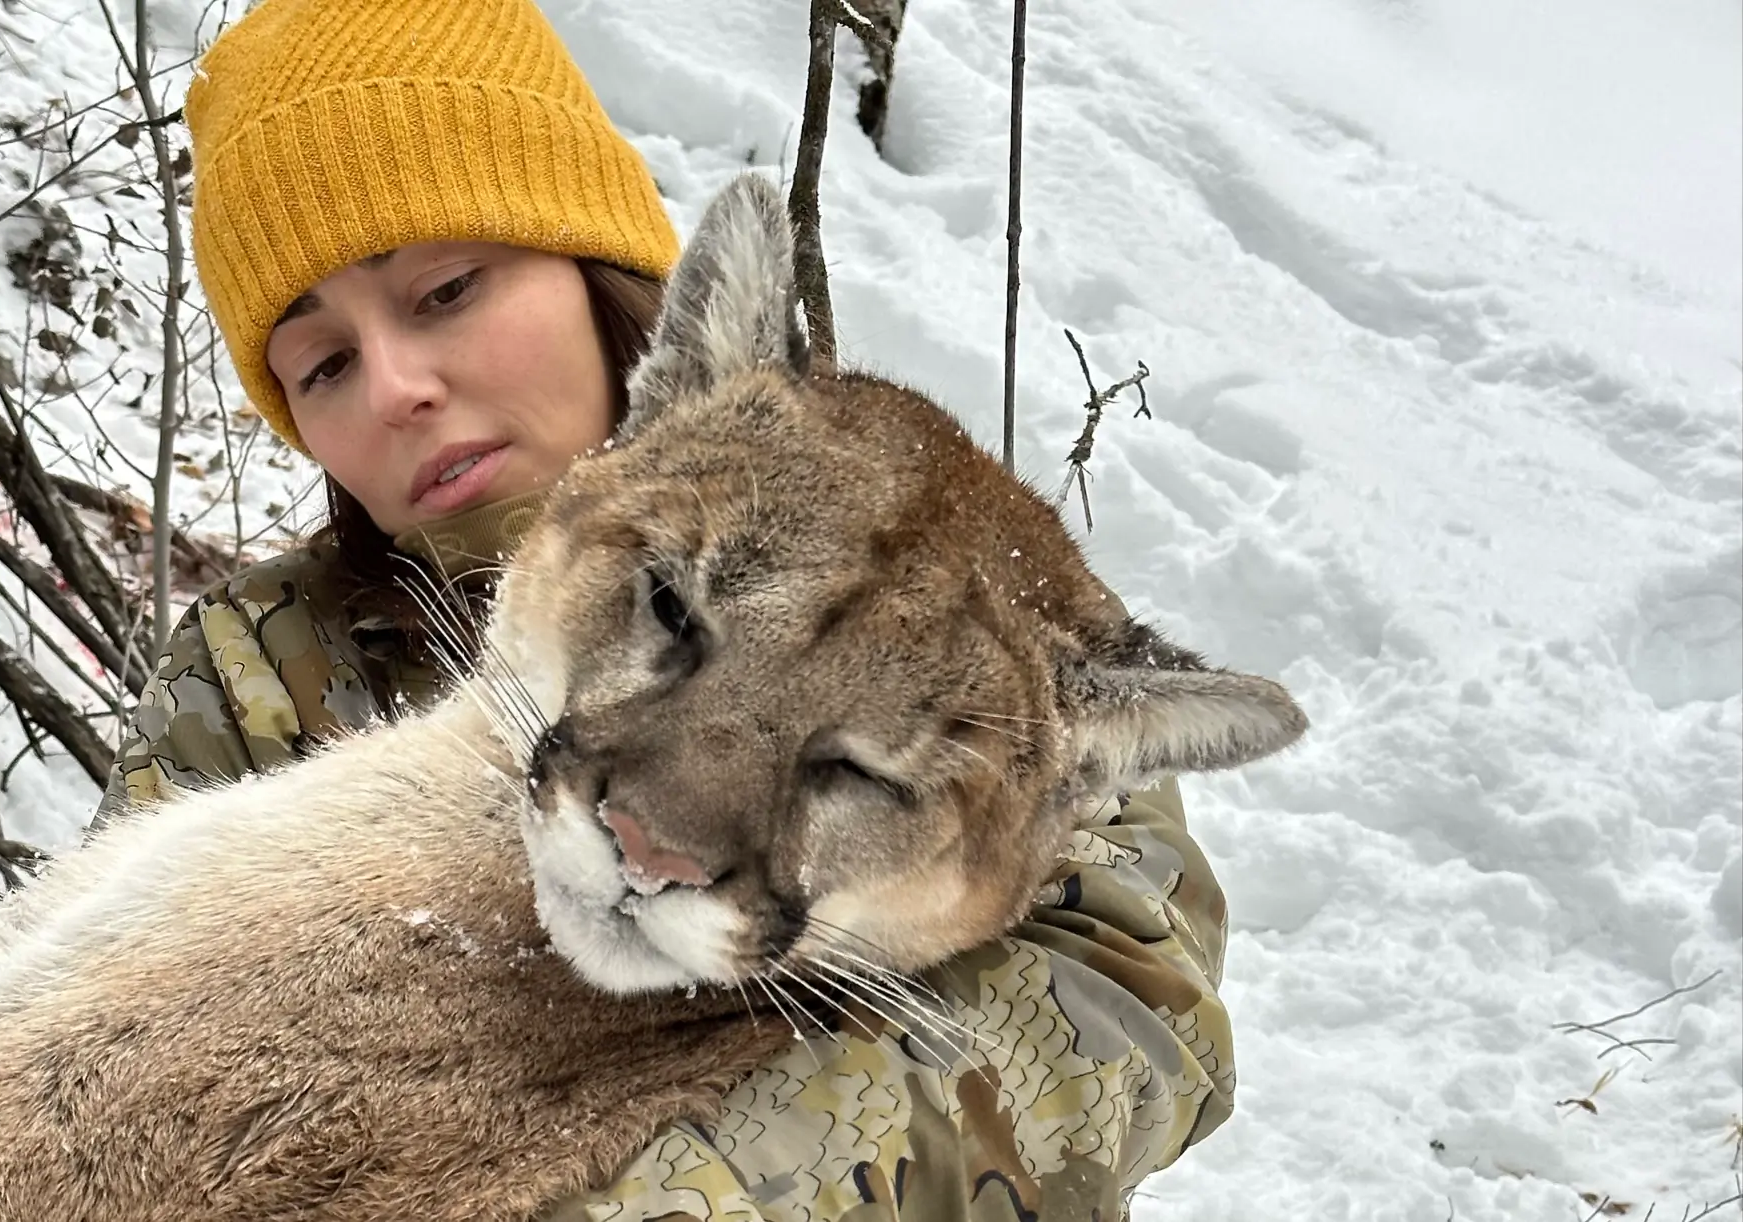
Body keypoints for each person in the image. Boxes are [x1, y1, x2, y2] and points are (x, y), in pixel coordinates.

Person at [93, 0, 1239, 1216]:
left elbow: (1127, 1002)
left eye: (445, 290)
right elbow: (117, 1051)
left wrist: (679, 1196)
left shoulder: (957, 589)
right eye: (322, 364)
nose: (395, 388)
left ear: (596, 263)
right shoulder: (255, 668)